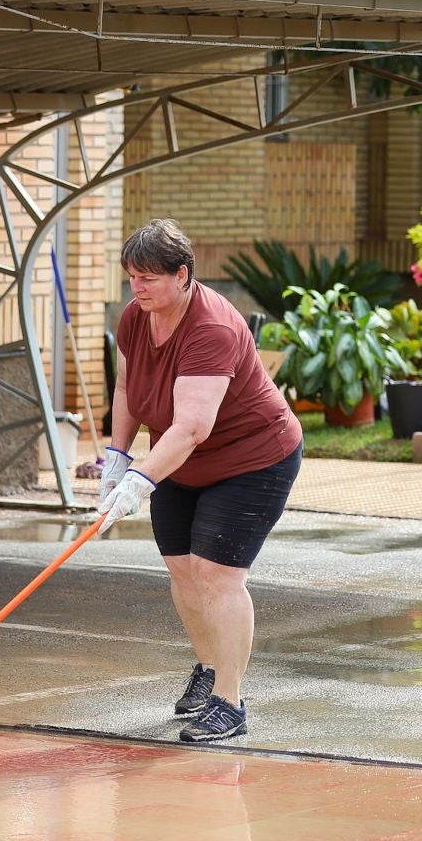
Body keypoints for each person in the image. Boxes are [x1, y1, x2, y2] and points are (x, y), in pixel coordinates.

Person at [96, 219, 304, 743]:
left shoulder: (211, 328)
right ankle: (209, 669)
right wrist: (117, 455)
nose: (137, 288)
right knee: (183, 571)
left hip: (251, 458)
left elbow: (192, 426)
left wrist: (140, 480)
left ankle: (230, 703)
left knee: (217, 576)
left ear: (183, 275)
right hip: (179, 458)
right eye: (131, 277)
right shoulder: (136, 317)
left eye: (148, 278)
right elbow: (127, 386)